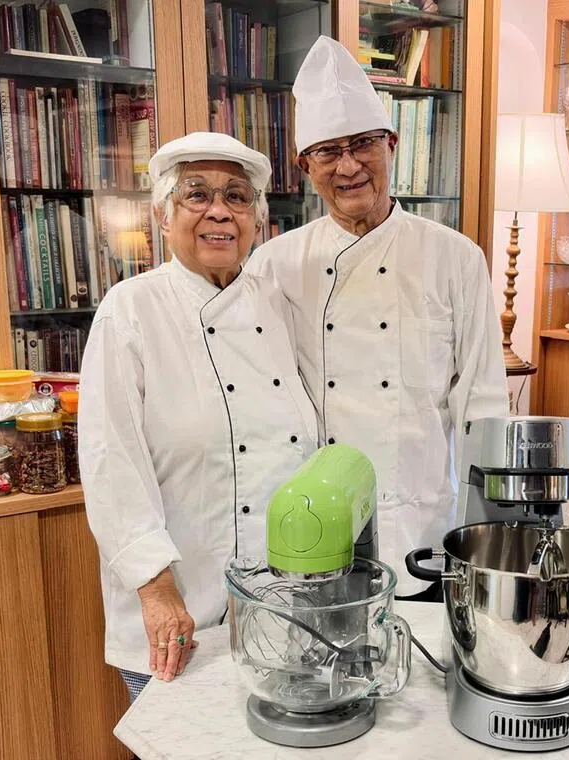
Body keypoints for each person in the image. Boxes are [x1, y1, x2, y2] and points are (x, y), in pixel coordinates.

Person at [245, 36, 509, 601]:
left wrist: (491, 539)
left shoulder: (456, 257)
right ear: (304, 166)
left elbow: (482, 406)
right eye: (327, 151)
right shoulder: (273, 265)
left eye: (363, 144)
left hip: (425, 530)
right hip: (313, 534)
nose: (349, 165)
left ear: (391, 143)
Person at [79, 132, 319, 702]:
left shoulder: (277, 304)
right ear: (163, 214)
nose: (219, 211)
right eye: (197, 195)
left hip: (281, 613)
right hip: (177, 612)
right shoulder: (130, 311)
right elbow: (111, 464)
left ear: (258, 221)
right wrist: (156, 590)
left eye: (237, 197)